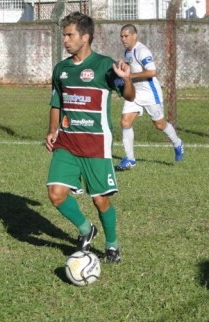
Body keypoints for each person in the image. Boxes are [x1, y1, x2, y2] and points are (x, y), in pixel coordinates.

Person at [45, 12, 135, 264]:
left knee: (100, 199)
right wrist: (52, 130)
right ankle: (86, 229)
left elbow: (128, 96)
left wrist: (126, 79)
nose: (65, 40)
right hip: (67, 142)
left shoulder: (104, 65)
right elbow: (56, 103)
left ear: (85, 37)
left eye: (70, 34)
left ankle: (112, 245)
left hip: (96, 144)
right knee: (56, 194)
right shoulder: (61, 69)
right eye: (64, 35)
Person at [115, 24, 184, 171]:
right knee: (125, 122)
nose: (123, 39)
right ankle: (130, 159)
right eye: (121, 36)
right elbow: (131, 64)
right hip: (135, 92)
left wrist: (130, 76)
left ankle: (177, 143)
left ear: (135, 36)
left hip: (150, 93)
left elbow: (152, 72)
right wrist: (123, 65)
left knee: (159, 124)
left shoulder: (142, 51)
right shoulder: (128, 51)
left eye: (126, 36)